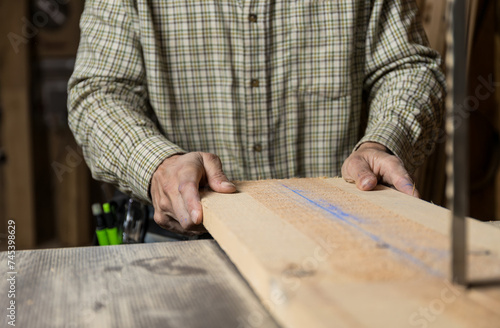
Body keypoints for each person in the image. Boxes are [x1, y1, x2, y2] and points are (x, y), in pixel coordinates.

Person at [68, 0, 445, 235]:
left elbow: (407, 68)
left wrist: (382, 139)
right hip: (188, 241)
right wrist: (156, 163)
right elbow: (99, 91)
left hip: (346, 237)